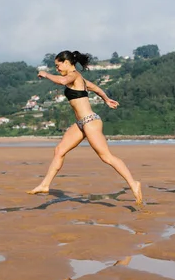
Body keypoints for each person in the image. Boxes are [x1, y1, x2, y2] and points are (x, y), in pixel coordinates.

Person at [27, 50, 143, 205]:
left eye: (58, 65)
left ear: (67, 62)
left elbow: (62, 81)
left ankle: (133, 183)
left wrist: (46, 74)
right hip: (81, 124)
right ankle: (45, 185)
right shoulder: (78, 78)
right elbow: (94, 87)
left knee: (106, 157)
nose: (57, 69)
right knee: (59, 150)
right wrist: (106, 99)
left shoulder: (73, 75)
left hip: (90, 122)